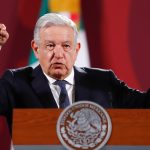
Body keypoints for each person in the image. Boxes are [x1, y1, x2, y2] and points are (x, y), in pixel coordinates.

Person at [0, 13, 150, 134]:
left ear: (76, 49)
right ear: (36, 48)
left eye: (66, 46)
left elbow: (145, 106)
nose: (58, 54)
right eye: (50, 45)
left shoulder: (103, 81)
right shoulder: (16, 82)